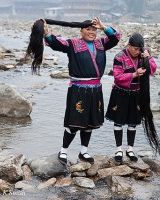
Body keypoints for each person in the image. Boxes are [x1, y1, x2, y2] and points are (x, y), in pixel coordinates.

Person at [42, 17, 121, 164]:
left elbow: (116, 38)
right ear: (81, 30)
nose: (91, 32)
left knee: (90, 122)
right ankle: (63, 150)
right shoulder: (73, 43)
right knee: (74, 122)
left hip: (95, 90)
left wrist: (103, 27)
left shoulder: (101, 44)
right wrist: (47, 33)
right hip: (78, 89)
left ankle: (83, 151)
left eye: (94, 30)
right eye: (88, 29)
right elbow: (56, 43)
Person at [105, 33, 160, 163]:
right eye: (134, 48)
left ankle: (130, 149)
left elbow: (153, 70)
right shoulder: (119, 57)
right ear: (129, 45)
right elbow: (117, 77)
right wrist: (134, 74)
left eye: (139, 49)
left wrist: (148, 59)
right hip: (121, 92)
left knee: (133, 122)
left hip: (137, 93)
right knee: (118, 121)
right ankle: (119, 149)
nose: (137, 51)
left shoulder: (143, 54)